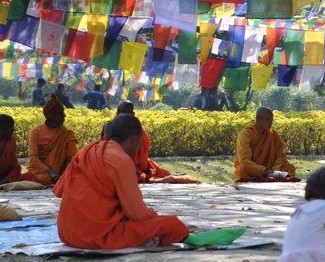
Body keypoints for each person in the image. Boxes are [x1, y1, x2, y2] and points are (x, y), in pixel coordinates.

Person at [55, 113, 191, 250]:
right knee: (173, 225)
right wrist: (154, 216)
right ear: (134, 140)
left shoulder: (86, 151)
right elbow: (136, 213)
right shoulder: (121, 160)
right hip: (94, 236)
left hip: (66, 232)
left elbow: (59, 190)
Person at [116, 101, 200, 184]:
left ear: (132, 114)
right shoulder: (112, 127)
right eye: (118, 111)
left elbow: (141, 155)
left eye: (123, 112)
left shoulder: (139, 130)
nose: (120, 114)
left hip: (133, 166)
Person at [234, 107, 297, 182]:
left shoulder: (273, 134)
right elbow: (244, 160)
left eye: (272, 120)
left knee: (289, 167)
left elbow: (280, 157)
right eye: (268, 120)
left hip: (271, 169)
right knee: (243, 167)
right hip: (254, 170)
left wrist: (274, 170)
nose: (271, 123)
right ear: (258, 119)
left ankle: (272, 175)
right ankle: (270, 175)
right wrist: (264, 170)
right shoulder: (246, 135)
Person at [28, 95, 78, 186]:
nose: (64, 116)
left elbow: (72, 158)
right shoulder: (35, 132)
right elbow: (33, 158)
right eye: (61, 114)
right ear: (52, 116)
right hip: (40, 172)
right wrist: (51, 173)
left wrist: (66, 174)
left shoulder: (67, 134)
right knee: (41, 179)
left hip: (60, 173)